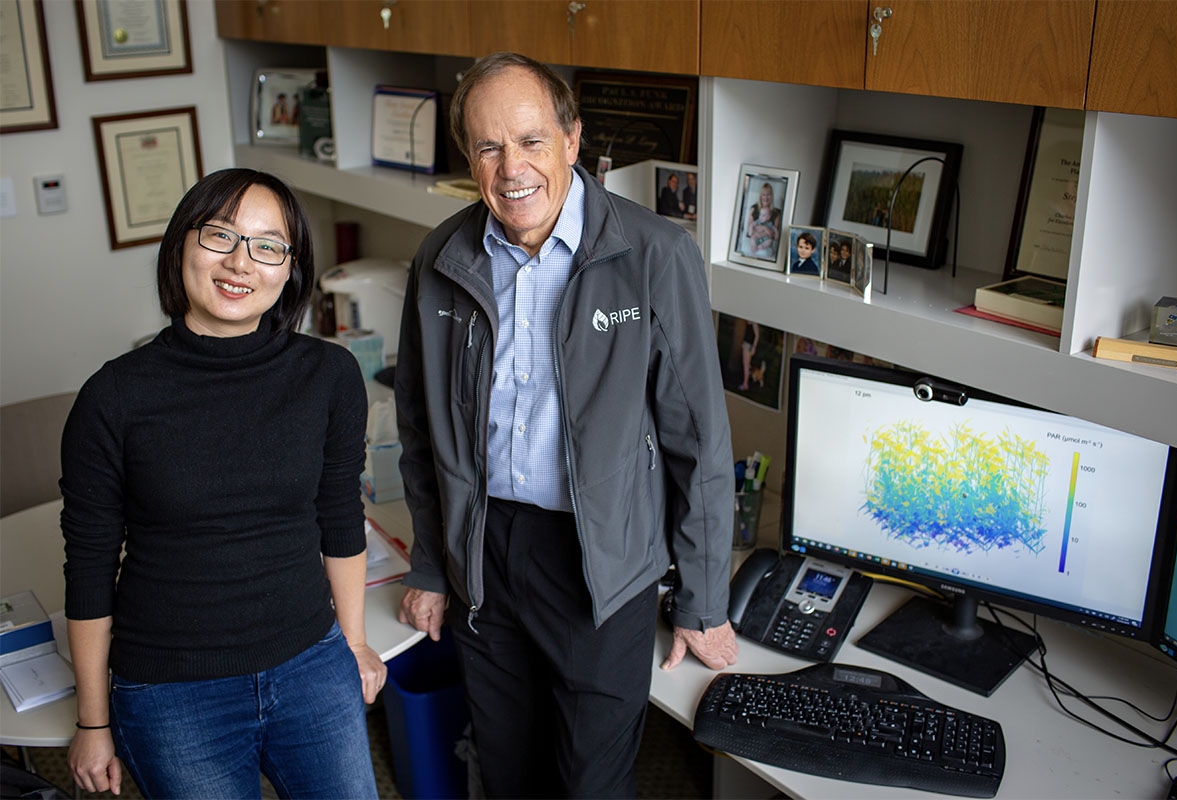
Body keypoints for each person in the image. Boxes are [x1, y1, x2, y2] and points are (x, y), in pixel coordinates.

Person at [393, 52, 737, 799]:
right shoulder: (440, 258)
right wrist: (429, 562)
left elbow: (698, 441)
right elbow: (420, 430)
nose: (511, 167)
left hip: (598, 558)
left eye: (531, 140)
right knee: (506, 770)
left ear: (573, 140)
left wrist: (703, 599)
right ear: (470, 157)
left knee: (590, 784)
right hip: (483, 551)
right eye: (488, 146)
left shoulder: (653, 254)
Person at [61, 168, 385, 799]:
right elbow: (90, 567)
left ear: (290, 268)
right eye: (221, 235)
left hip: (311, 663)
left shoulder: (329, 375)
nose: (242, 262)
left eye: (268, 245)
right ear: (183, 243)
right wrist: (93, 721)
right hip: (173, 692)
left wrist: (354, 645)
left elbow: (340, 516)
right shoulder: (114, 396)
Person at [744, 181, 781, 259]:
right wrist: (758, 232)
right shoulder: (754, 208)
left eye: (768, 195)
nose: (766, 197)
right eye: (763, 195)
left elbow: (774, 235)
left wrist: (764, 228)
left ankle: (761, 247)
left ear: (772, 196)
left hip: (766, 240)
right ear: (760, 196)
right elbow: (749, 232)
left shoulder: (776, 213)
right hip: (756, 236)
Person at [738, 321, 760, 391]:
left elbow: (757, 335)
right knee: (747, 366)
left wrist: (754, 347)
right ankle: (746, 383)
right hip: (746, 345)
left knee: (746, 366)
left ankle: (745, 384)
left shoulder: (754, 323)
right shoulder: (749, 323)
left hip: (748, 346)